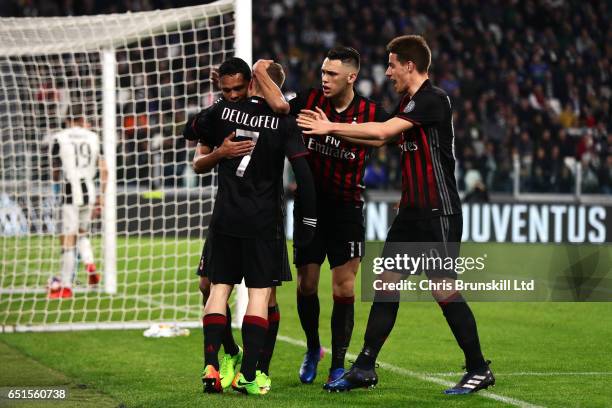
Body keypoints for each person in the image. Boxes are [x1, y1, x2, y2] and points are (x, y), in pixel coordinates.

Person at [297, 35, 494, 395]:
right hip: (412, 213)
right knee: (386, 283)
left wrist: (330, 127)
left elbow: (384, 130)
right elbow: (377, 140)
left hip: (438, 211)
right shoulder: (408, 102)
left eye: (391, 65)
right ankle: (366, 366)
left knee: (443, 290)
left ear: (409, 65)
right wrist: (338, 129)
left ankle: (479, 368)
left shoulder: (433, 99)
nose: (387, 72)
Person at [254, 46, 388, 386]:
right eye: (324, 72)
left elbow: (381, 139)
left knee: (344, 288)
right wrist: (258, 72)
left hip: (347, 209)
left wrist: (329, 128)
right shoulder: (310, 99)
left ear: (351, 77)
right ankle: (313, 348)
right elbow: (280, 106)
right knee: (307, 285)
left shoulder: (371, 111)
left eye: (332, 74)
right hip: (309, 208)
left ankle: (338, 365)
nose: (325, 79)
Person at [184, 61, 317, 395]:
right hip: (263, 221)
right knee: (259, 296)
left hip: (226, 217)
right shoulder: (283, 121)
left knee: (217, 290)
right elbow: (304, 174)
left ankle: (212, 367)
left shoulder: (220, 113)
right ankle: (249, 374)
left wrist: (219, 133)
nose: (231, 93)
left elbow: (191, 129)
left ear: (252, 82)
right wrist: (309, 221)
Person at [188, 57, 251, 392]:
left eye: (238, 88)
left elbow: (282, 102)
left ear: (250, 84)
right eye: (225, 90)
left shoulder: (265, 110)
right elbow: (198, 163)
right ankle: (229, 350)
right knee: (206, 286)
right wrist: (221, 152)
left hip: (261, 216)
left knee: (262, 296)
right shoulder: (215, 116)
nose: (232, 95)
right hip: (225, 214)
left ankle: (257, 369)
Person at [48, 105, 107, 299]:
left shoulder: (59, 137)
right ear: (82, 118)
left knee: (68, 239)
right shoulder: (93, 137)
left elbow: (55, 169)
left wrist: (56, 183)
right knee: (82, 233)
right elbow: (104, 170)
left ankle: (65, 286)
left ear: (67, 120)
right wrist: (102, 197)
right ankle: (89, 264)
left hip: (69, 191)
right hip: (89, 190)